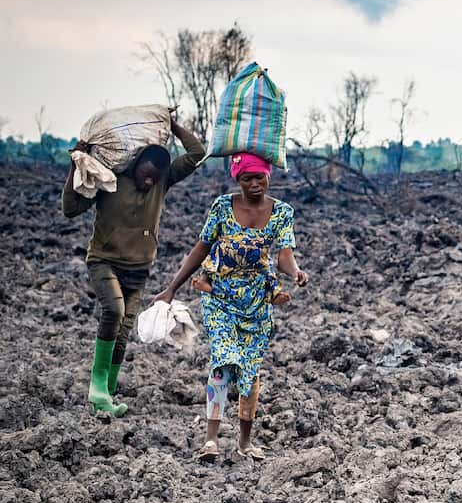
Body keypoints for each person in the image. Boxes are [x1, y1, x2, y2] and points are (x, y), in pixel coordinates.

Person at [154, 152, 309, 462]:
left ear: (268, 176)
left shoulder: (282, 213)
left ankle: (245, 443)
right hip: (219, 297)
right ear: (237, 180)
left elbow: (284, 256)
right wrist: (171, 288)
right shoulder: (223, 207)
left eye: (259, 177)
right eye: (246, 178)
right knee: (223, 361)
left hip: (257, 302)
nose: (254, 184)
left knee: (250, 370)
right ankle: (211, 440)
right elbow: (201, 248)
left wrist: (295, 273)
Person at [62, 115, 205, 416]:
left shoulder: (162, 180)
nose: (149, 181)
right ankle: (97, 386)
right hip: (105, 261)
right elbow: (70, 209)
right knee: (114, 311)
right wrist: (76, 164)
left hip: (139, 269)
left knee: (125, 329)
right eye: (146, 174)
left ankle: (108, 393)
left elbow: (197, 153)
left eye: (155, 177)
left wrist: (171, 123)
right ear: (136, 164)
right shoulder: (109, 178)